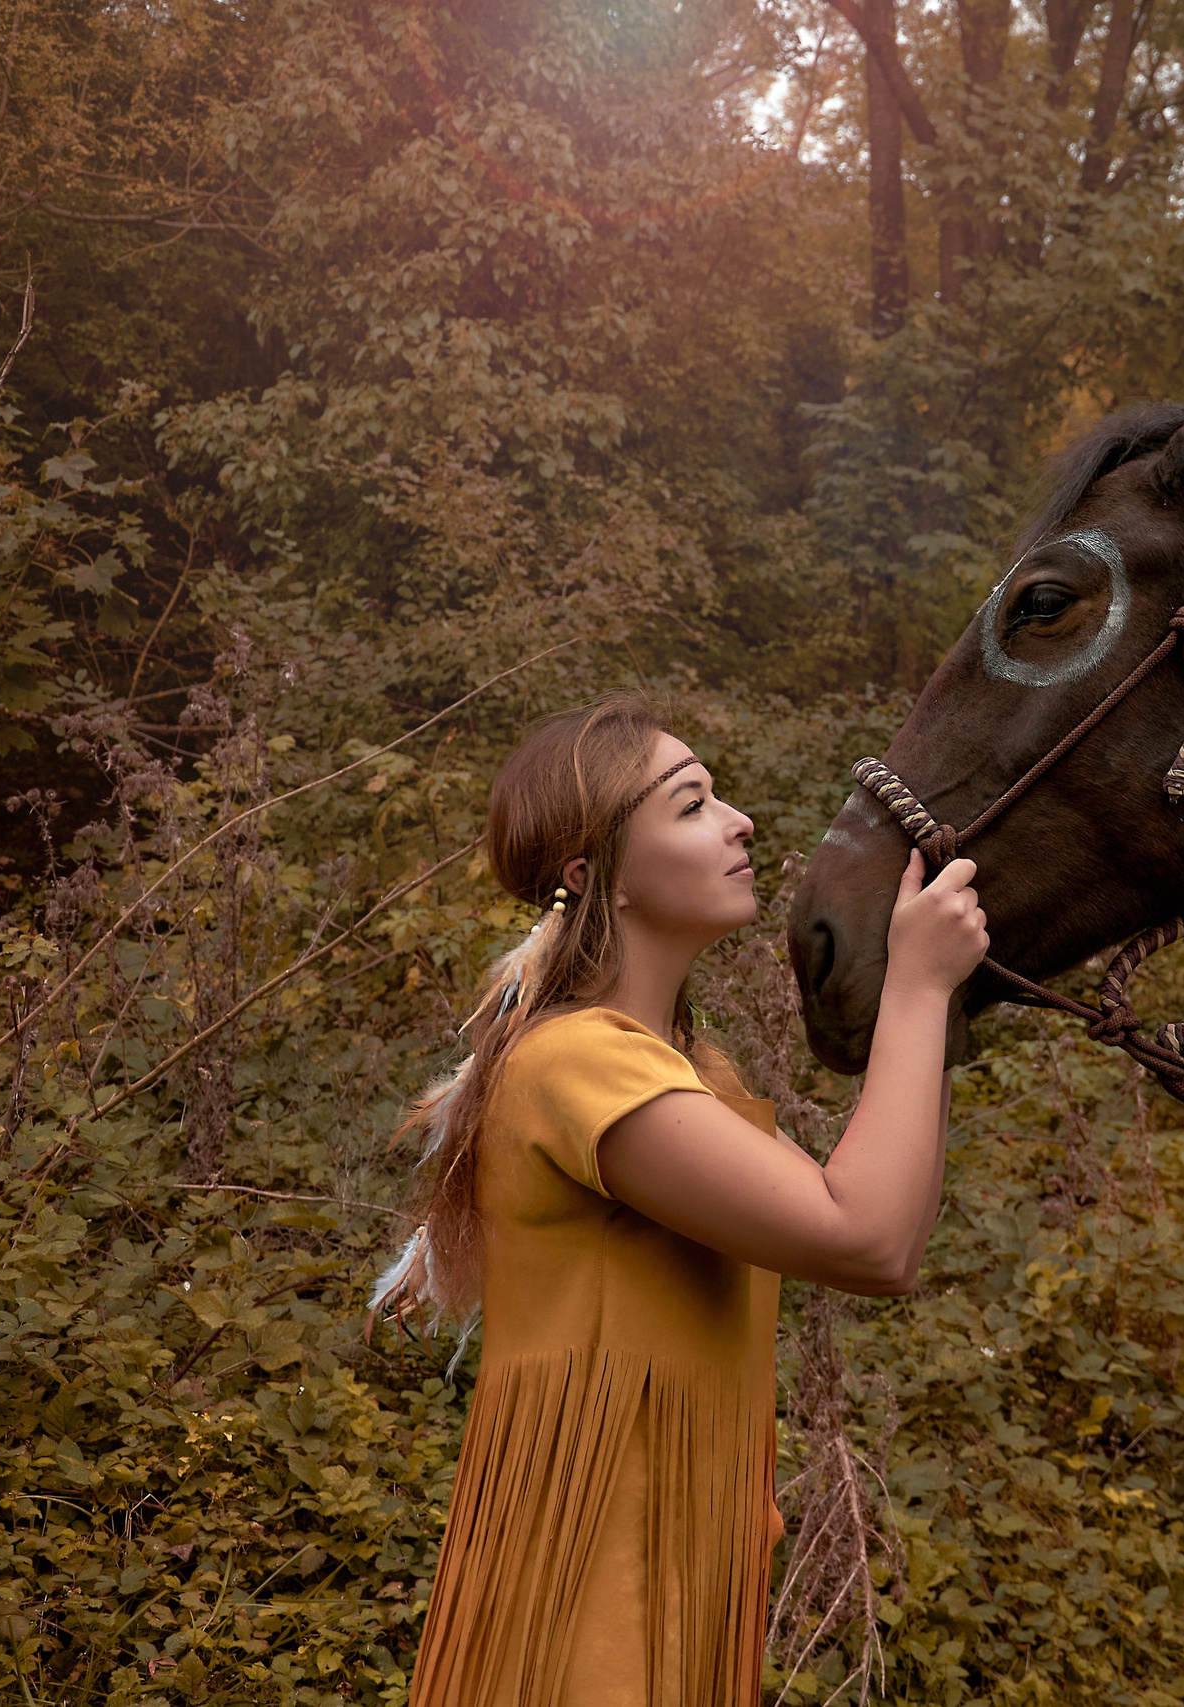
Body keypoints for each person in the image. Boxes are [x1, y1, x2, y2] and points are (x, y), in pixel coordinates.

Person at [371, 691, 984, 1707]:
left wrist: (935, 995)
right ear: (593, 875)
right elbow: (863, 1236)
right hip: (592, 1581)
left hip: (679, 1565)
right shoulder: (576, 1064)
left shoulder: (689, 1066)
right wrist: (916, 990)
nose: (741, 821)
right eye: (693, 803)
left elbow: (892, 1235)